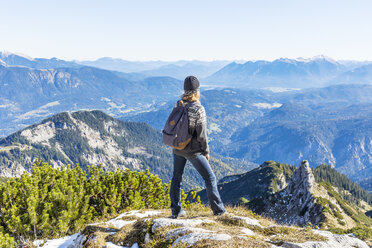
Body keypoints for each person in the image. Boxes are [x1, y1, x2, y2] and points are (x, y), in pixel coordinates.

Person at [170, 75, 226, 218]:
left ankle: (176, 211)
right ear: (197, 91)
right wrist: (206, 151)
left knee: (177, 178)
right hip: (193, 150)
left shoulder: (179, 105)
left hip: (177, 148)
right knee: (210, 178)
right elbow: (201, 135)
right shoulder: (198, 108)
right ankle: (219, 211)